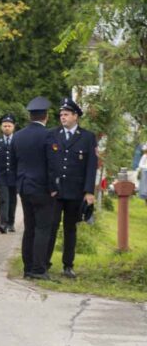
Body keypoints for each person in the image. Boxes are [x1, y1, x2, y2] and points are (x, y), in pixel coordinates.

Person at [47, 97, 97, 279]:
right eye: (61, 114)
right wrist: (49, 186)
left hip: (75, 192)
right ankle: (45, 262)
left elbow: (91, 166)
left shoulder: (87, 137)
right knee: (51, 226)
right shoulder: (53, 134)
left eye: (66, 114)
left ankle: (68, 265)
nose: (63, 117)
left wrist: (89, 191)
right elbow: (49, 163)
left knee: (70, 229)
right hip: (56, 191)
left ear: (76, 116)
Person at [12, 96, 54, 280]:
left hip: (24, 187)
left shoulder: (18, 135)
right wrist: (54, 187)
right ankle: (38, 268)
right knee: (43, 228)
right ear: (46, 116)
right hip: (43, 188)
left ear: (30, 116)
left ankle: (27, 267)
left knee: (29, 227)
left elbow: (14, 163)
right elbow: (52, 164)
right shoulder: (49, 136)